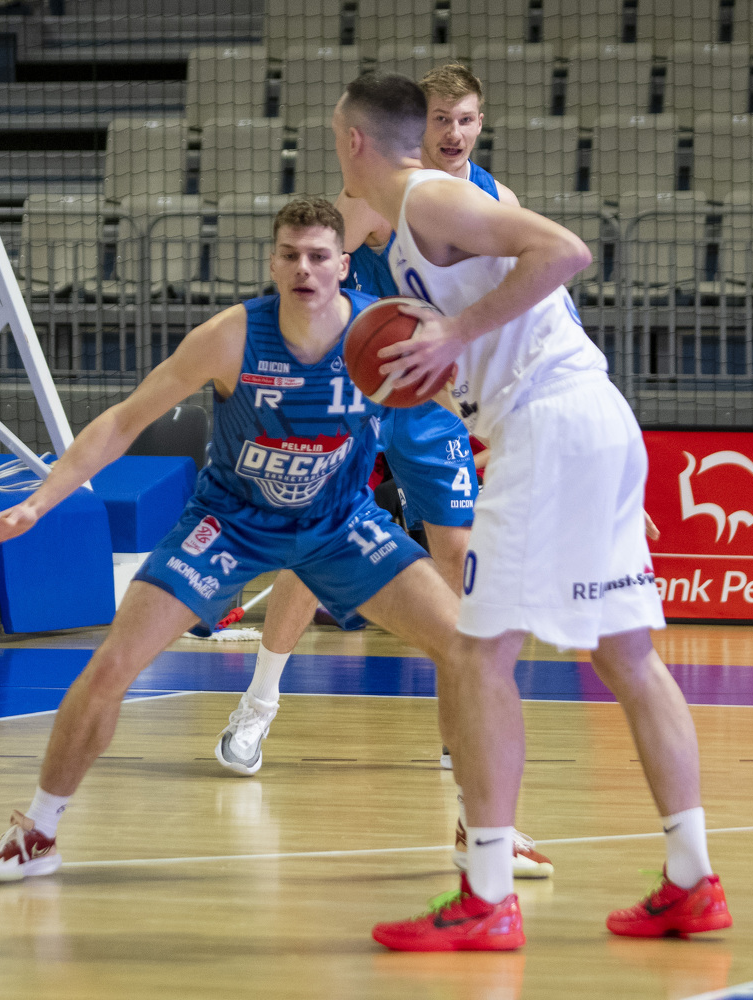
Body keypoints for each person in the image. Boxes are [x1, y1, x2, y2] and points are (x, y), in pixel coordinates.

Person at [331, 71, 731, 951]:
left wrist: (456, 334)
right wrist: (451, 376)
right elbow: (494, 336)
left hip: (554, 424)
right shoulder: (407, 228)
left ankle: (485, 895)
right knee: (627, 656)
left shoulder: (431, 199)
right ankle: (693, 880)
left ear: (353, 141)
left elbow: (565, 250)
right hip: (578, 424)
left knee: (476, 656)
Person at [0, 198, 464, 884]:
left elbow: (473, 403)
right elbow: (124, 421)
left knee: (466, 648)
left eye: (319, 256)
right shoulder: (231, 336)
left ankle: (486, 829)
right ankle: (38, 833)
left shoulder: (382, 333)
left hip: (340, 523)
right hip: (231, 522)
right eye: (290, 255)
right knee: (111, 665)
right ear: (272, 263)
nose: (304, 268)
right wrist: (36, 503)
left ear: (344, 266)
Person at [211, 63, 554, 882]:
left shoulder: (493, 200)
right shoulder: (378, 198)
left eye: (466, 119)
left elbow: (515, 302)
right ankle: (259, 703)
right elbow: (316, 263)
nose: (453, 133)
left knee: (455, 555)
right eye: (440, 119)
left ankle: (457, 738)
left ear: (481, 124)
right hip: (357, 383)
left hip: (433, 397)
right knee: (318, 546)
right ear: (414, 128)